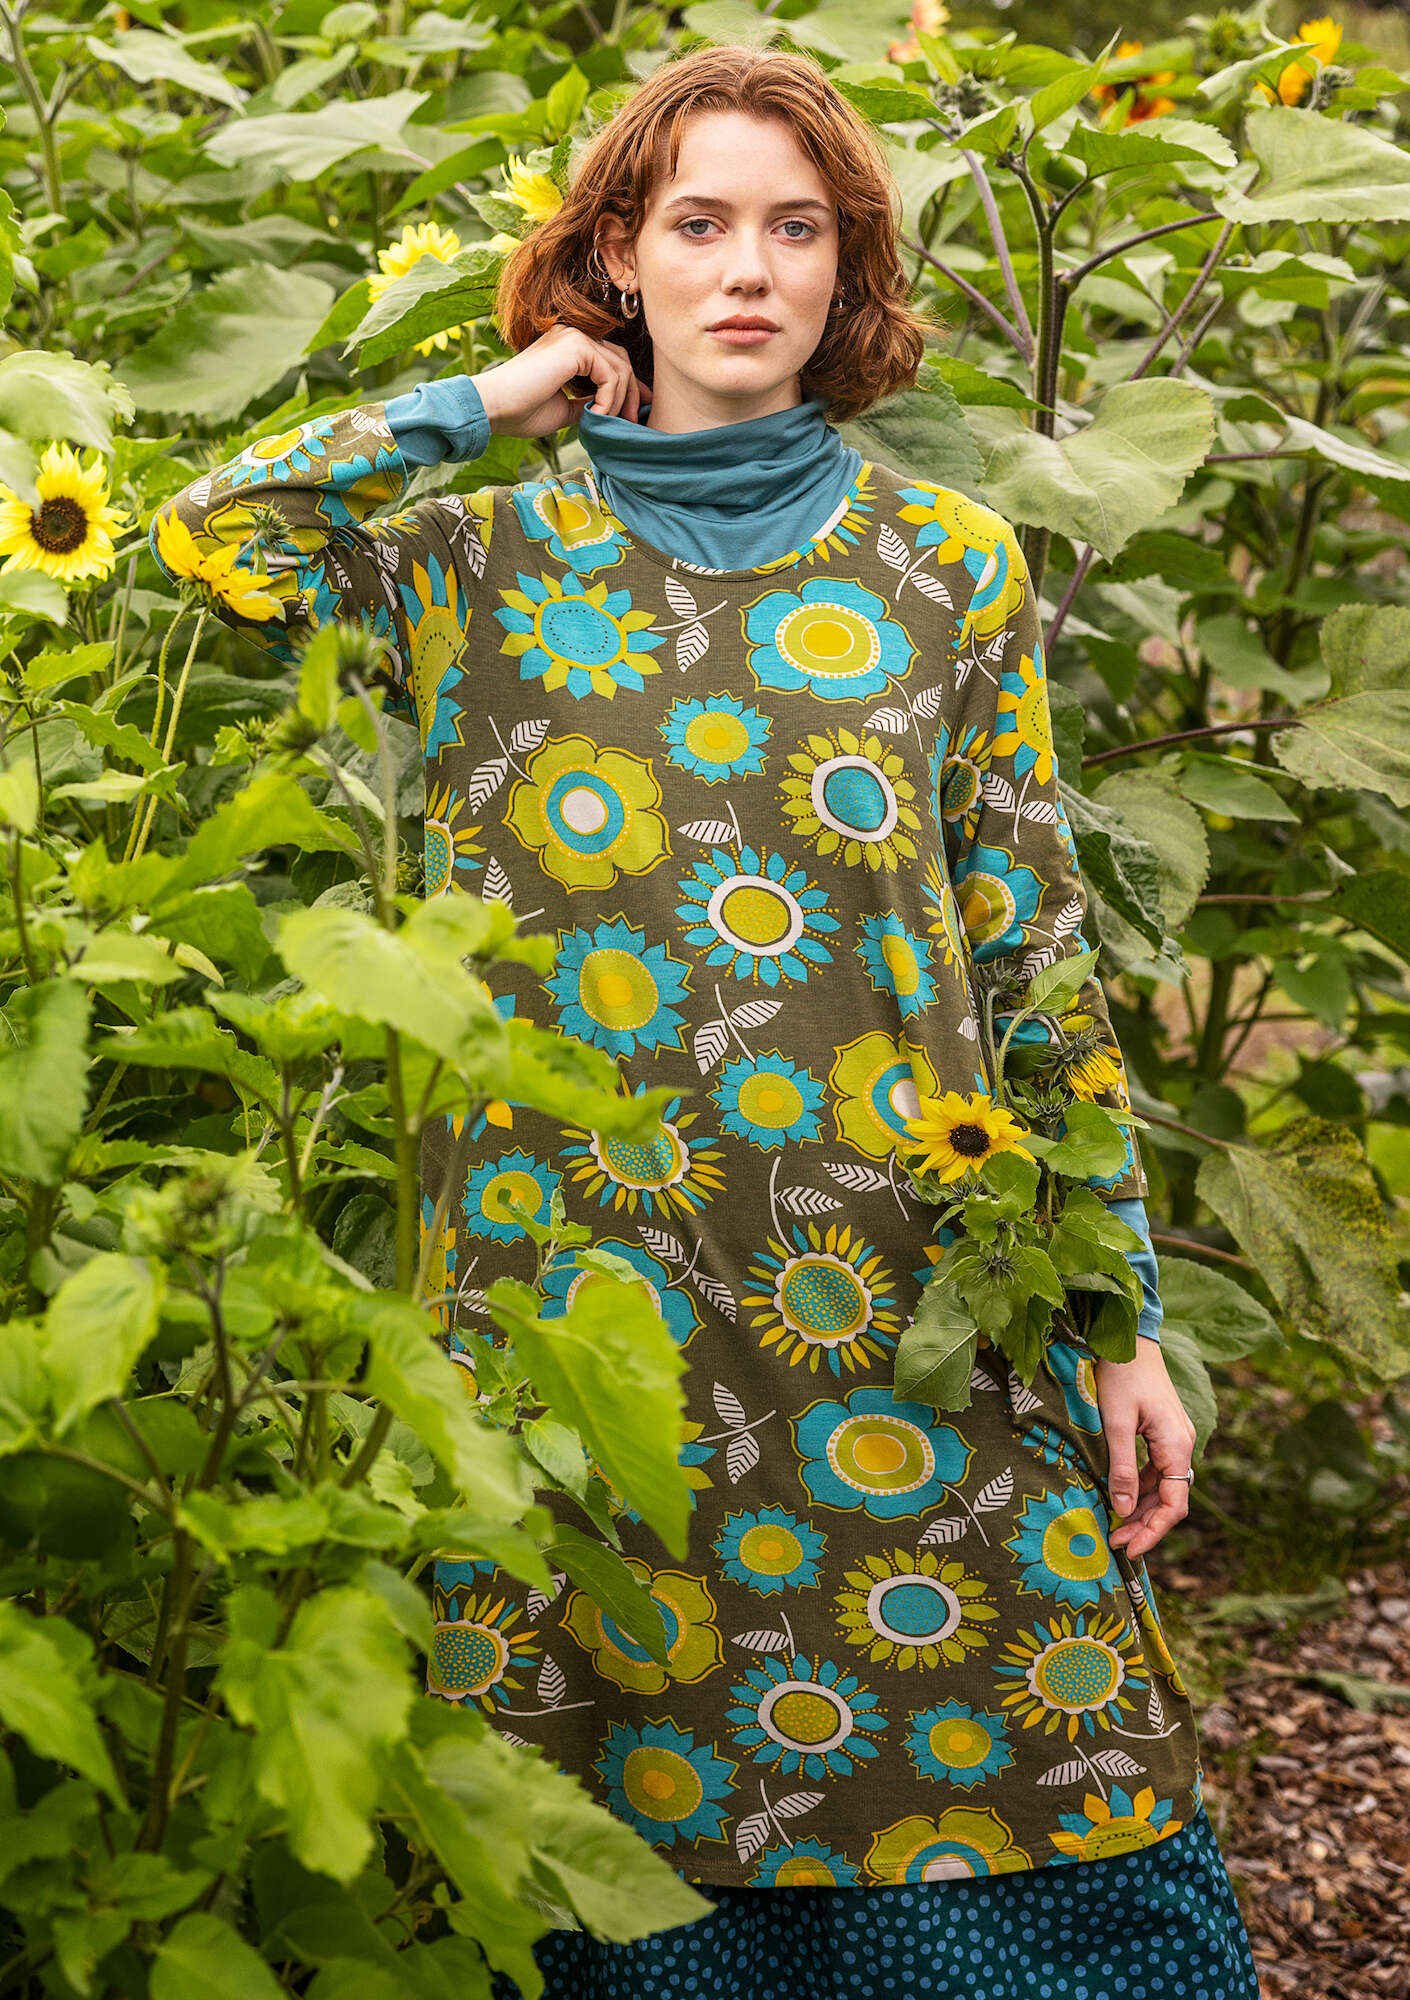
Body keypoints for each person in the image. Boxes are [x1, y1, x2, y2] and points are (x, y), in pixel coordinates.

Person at [148, 40, 1261, 2000]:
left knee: (1005, 1716)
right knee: (594, 1787)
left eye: (796, 229)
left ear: (847, 272)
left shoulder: (950, 566)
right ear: (618, 260)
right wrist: (488, 402)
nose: (748, 268)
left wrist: (1121, 1317)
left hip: (905, 1291)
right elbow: (208, 542)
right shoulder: (479, 562)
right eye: (698, 224)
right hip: (575, 1303)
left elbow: (1031, 953)